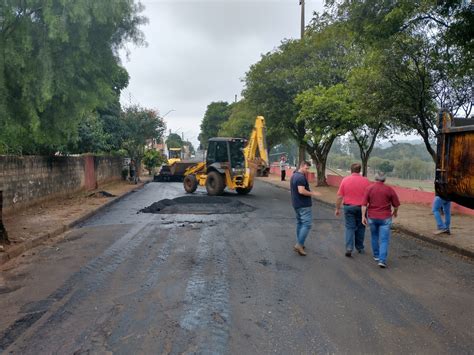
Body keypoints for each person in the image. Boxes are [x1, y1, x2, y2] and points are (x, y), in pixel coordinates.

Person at [362, 172, 400, 268]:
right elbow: (396, 205)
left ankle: (376, 255)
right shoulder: (389, 189)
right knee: (384, 240)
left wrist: (363, 216)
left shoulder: (369, 188)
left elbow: (364, 204)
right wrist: (395, 212)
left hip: (372, 217)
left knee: (374, 236)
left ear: (375, 178)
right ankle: (382, 260)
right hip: (385, 218)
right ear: (385, 179)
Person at [335, 163, 371, 257]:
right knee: (361, 227)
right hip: (362, 208)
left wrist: (337, 208)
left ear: (351, 170)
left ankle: (349, 248)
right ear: (360, 170)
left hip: (349, 207)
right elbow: (369, 196)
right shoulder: (366, 181)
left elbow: (339, 196)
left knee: (350, 227)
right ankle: (360, 247)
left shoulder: (345, 180)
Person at [290, 160, 321, 256]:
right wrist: (313, 193)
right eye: (306, 168)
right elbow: (301, 191)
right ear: (302, 166)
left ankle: (300, 243)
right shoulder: (300, 177)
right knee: (307, 225)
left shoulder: (294, 175)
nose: (307, 170)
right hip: (303, 205)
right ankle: (299, 244)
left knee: (300, 223)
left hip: (296, 204)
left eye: (308, 168)